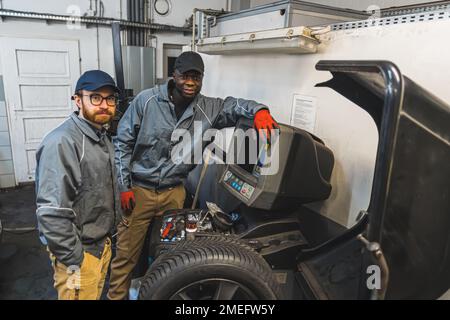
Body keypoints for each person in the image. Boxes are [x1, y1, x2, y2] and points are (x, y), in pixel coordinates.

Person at [108, 51, 279, 300]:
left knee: (172, 253)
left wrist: (259, 111)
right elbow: (122, 143)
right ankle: (117, 297)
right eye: (185, 76)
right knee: (126, 254)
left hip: (174, 193)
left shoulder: (209, 108)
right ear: (174, 75)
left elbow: (235, 105)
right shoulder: (146, 101)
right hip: (139, 191)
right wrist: (124, 186)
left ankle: (160, 292)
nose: (190, 82)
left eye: (196, 77)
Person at [35, 70, 121, 300]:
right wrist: (76, 259)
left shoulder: (100, 136)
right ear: (77, 100)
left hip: (100, 246)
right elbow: (51, 214)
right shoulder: (62, 142)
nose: (104, 104)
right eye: (95, 97)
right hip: (80, 256)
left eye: (110, 98)